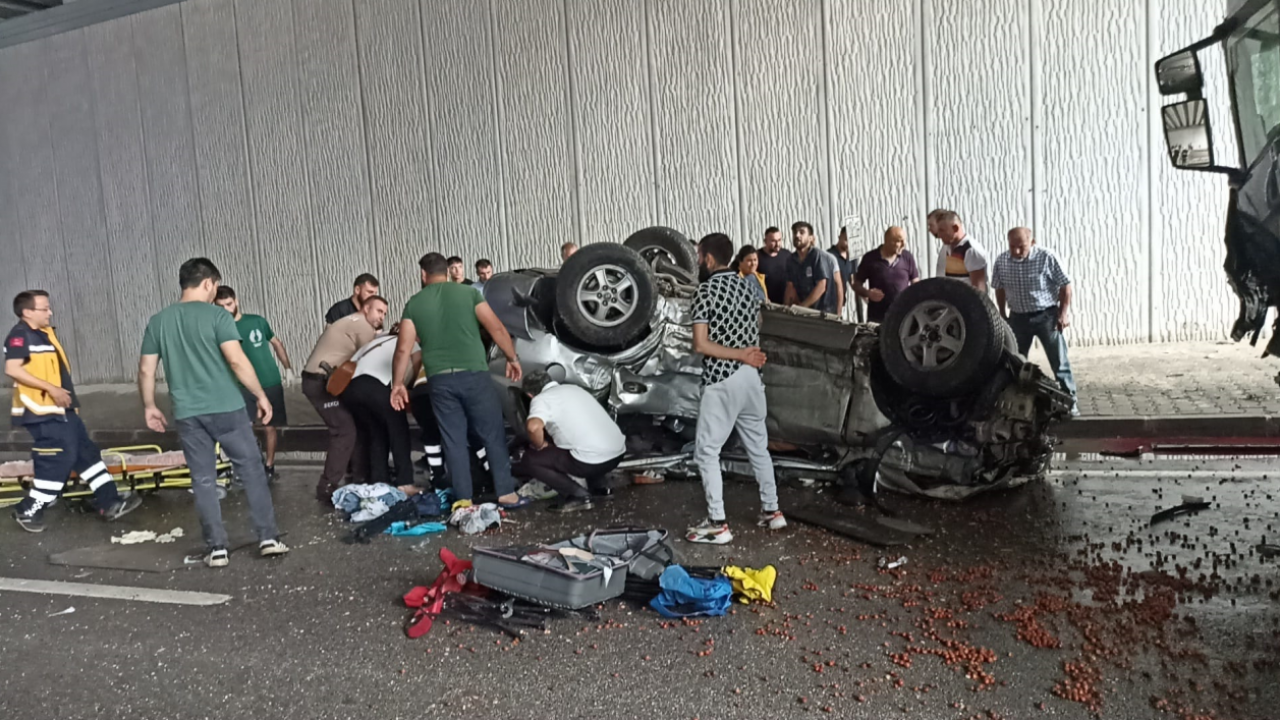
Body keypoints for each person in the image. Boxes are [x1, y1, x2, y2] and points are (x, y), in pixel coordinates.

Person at [138, 258, 288, 567]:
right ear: (208, 283)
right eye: (215, 286)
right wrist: (261, 395)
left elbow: (145, 369)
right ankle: (267, 537)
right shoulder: (218, 317)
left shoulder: (159, 321)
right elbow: (236, 361)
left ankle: (217, 548)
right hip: (227, 408)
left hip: (187, 413)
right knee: (252, 470)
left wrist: (150, 405)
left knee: (203, 479)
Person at [390, 252, 527, 510]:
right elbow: (496, 327)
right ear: (447, 271)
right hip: (475, 374)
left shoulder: (414, 303)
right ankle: (506, 493)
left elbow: (402, 350)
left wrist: (398, 384)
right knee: (492, 433)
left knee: (453, 439)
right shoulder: (470, 294)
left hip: (440, 380)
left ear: (423, 274)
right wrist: (512, 357)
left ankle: (464, 499)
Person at [6, 291, 142, 532]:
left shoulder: (44, 335)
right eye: (44, 308)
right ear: (27, 312)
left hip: (61, 410)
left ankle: (109, 501)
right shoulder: (20, 336)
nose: (50, 312)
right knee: (56, 461)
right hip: (43, 412)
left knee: (87, 454)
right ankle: (28, 509)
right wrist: (52, 389)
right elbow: (13, 369)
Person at [686, 233, 785, 545]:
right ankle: (772, 511)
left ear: (710, 259)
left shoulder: (705, 291)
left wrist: (738, 353)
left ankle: (717, 522)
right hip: (751, 379)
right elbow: (753, 330)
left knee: (706, 451)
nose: (699, 262)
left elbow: (701, 344)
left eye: (700, 256)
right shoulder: (749, 286)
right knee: (758, 447)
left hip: (722, 380)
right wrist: (746, 354)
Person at [301, 296, 387, 500]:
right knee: (344, 430)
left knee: (355, 424)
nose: (381, 316)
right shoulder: (363, 326)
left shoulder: (351, 321)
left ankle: (359, 477)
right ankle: (327, 486)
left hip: (322, 380)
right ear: (366, 309)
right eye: (378, 311)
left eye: (384, 312)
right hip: (320, 382)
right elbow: (371, 359)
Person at [992, 227, 1079, 415]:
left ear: (1032, 243)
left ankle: (1071, 403)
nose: (1016, 251)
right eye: (1012, 246)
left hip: (1046, 316)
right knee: (1014, 362)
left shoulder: (1047, 257)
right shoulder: (1002, 261)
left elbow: (1066, 286)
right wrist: (1002, 312)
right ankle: (1014, 403)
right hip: (1017, 318)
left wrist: (1063, 314)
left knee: (1059, 361)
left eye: (1021, 247)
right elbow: (999, 288)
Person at [513, 370, 626, 513]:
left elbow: (533, 427)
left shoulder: (541, 399)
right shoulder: (575, 389)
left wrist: (540, 445)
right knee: (587, 442)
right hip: (617, 453)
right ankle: (600, 488)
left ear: (529, 395)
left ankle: (578, 496)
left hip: (590, 462)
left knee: (531, 459)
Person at [214, 286, 295, 479]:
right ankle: (253, 463)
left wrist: (288, 368)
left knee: (270, 426)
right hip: (242, 384)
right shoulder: (219, 329)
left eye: (229, 304)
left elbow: (276, 342)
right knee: (244, 427)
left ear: (236, 301)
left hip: (269, 381)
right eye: (220, 306)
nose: (226, 309)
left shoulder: (257, 321)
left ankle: (269, 465)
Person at [341, 326, 418, 488]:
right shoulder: (410, 341)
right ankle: (405, 483)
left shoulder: (376, 340)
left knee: (377, 431)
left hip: (349, 389)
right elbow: (417, 366)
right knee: (399, 431)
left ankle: (379, 480)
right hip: (376, 385)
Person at [854, 226, 920, 323]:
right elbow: (856, 284)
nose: (903, 245)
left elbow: (916, 284)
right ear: (887, 241)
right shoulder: (870, 258)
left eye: (904, 241)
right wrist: (868, 293)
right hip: (877, 317)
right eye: (899, 241)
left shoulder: (907, 257)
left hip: (903, 316)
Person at [784, 221, 841, 313]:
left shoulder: (818, 256)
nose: (797, 235)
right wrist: (786, 309)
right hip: (802, 314)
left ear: (811, 238)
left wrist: (802, 307)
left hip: (823, 313)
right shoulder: (791, 260)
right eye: (795, 232)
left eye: (802, 232)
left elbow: (822, 285)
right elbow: (790, 287)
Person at [931, 210, 988, 292]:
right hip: (950, 302)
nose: (939, 235)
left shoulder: (971, 251)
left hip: (967, 302)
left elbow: (979, 289)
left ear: (955, 228)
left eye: (942, 230)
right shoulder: (945, 247)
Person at [829, 226, 858, 321]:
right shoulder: (829, 256)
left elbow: (852, 281)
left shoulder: (852, 257)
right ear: (839, 236)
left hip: (842, 303)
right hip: (828, 304)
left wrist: (867, 295)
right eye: (846, 239)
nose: (848, 243)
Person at [755, 227, 791, 304]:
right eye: (773, 241)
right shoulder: (757, 257)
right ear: (765, 241)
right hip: (766, 304)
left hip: (785, 304)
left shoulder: (787, 255)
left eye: (779, 240)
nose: (777, 244)